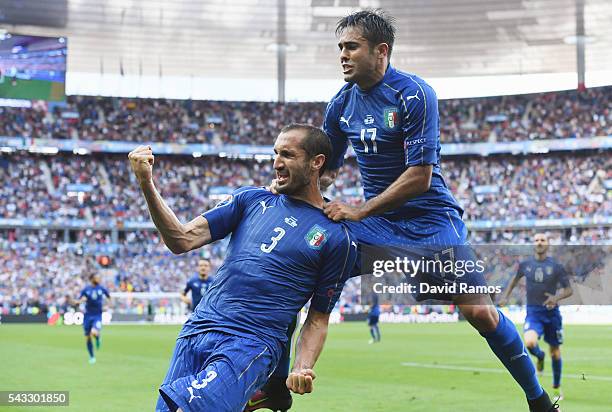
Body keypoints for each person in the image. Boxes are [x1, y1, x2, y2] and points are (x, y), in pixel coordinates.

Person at [253, 9, 558, 412]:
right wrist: (293, 185)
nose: (342, 55)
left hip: (431, 225)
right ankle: (276, 385)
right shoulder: (340, 105)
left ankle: (537, 400)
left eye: (351, 47)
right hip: (376, 226)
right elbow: (325, 173)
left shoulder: (414, 94)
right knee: (295, 273)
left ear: (381, 51)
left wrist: (360, 210)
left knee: (481, 313)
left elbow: (420, 177)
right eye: (340, 47)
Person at [129, 124, 358, 412]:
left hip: (251, 342)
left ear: (317, 162)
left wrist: (301, 367)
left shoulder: (337, 236)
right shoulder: (251, 199)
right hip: (196, 330)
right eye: (275, 153)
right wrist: (146, 183)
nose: (276, 162)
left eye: (287, 154)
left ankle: (270, 389)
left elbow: (317, 318)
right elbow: (181, 239)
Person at [499, 233, 573, 401]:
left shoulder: (556, 266)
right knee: (530, 343)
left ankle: (556, 387)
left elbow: (569, 290)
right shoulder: (526, 265)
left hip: (552, 314)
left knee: (555, 352)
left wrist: (556, 298)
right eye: (537, 240)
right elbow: (514, 280)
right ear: (534, 244)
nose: (539, 243)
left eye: (542, 240)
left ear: (548, 244)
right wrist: (505, 296)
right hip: (533, 312)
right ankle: (539, 356)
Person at [78, 273, 111, 364]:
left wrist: (107, 306)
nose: (99, 279)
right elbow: (82, 299)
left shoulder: (101, 288)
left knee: (94, 331)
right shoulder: (86, 289)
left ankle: (97, 337)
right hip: (87, 316)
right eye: (97, 278)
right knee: (87, 337)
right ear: (92, 279)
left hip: (97, 315)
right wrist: (78, 302)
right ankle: (92, 356)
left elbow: (109, 297)